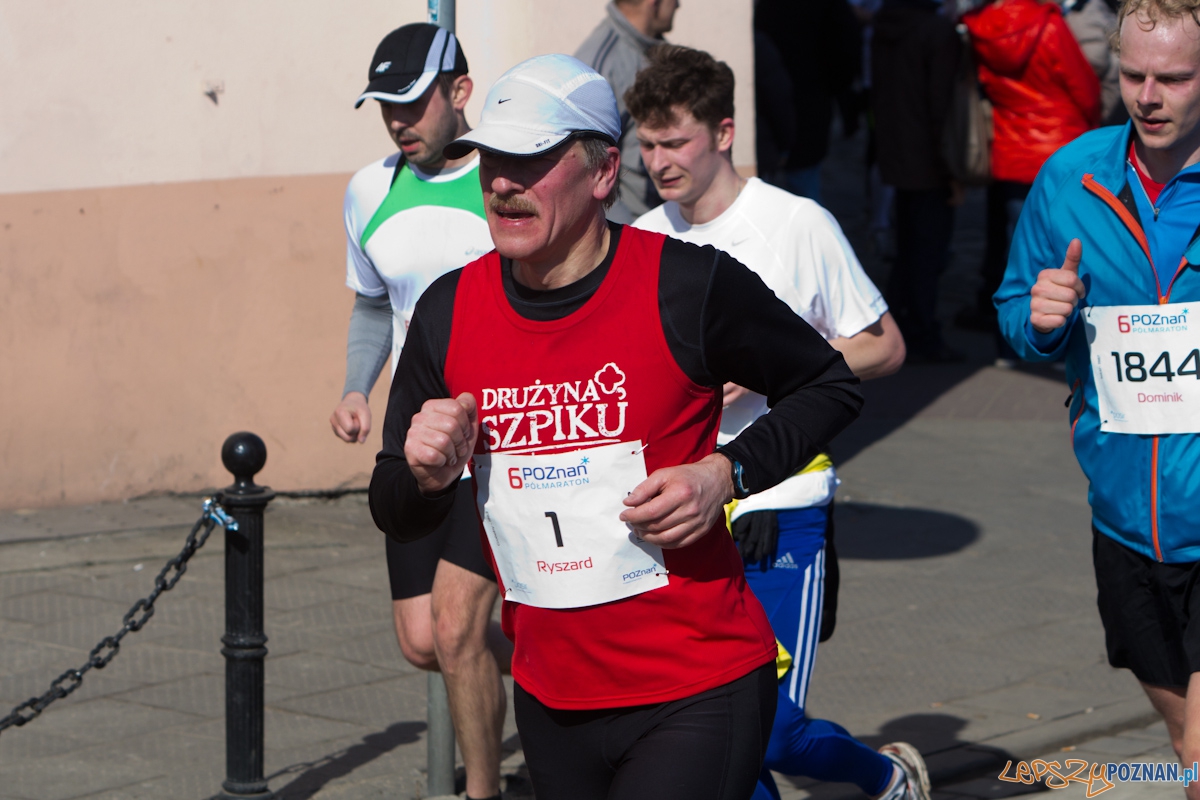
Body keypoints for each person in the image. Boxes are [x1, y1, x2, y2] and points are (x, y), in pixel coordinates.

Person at [369, 53, 865, 800]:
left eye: (531, 159)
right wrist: (427, 478)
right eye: (492, 158)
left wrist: (726, 471)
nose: (503, 181)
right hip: (552, 698)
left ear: (603, 174)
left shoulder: (686, 285)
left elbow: (829, 384)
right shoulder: (448, 311)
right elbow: (392, 505)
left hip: (696, 682)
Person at [626, 45, 926, 800]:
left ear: (724, 132)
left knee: (766, 726)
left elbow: (884, 345)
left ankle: (887, 777)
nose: (659, 160)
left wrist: (778, 363)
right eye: (648, 143)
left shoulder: (794, 224)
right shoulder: (645, 239)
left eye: (675, 141)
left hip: (782, 504)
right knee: (711, 732)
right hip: (686, 511)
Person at [994, 0, 1200, 791]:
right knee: (1185, 740)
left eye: (1174, 78)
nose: (1148, 95)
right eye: (1133, 74)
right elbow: (1015, 310)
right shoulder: (1070, 178)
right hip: (1121, 512)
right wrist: (1043, 319)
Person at [327, 23, 508, 800]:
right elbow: (373, 308)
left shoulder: (507, 181)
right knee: (422, 640)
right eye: (385, 108)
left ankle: (482, 790)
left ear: (459, 93)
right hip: (412, 435)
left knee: (459, 624)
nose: (399, 122)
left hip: (501, 435)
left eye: (412, 103)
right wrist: (355, 388)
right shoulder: (367, 191)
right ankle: (552, 667)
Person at [955, 0, 1101, 352]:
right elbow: (1083, 85)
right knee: (1064, 250)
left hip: (1009, 146)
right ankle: (1057, 335)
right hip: (1060, 144)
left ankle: (1007, 340)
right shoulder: (1047, 23)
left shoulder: (979, 27)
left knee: (1012, 251)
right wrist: (1095, 126)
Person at [871, 0, 964, 362]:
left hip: (899, 154)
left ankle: (900, 325)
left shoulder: (886, 25)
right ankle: (922, 331)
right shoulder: (935, 31)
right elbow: (941, 107)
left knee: (909, 249)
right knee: (927, 253)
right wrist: (951, 171)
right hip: (927, 160)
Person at [575, 0, 679, 222]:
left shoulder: (658, 53)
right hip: (635, 229)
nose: (678, 4)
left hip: (669, 224)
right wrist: (628, 239)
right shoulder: (600, 67)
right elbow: (587, 172)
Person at [755, 0, 863, 204]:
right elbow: (847, 51)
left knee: (787, 188)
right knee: (803, 188)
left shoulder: (769, 6)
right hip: (807, 102)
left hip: (789, 105)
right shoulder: (828, 7)